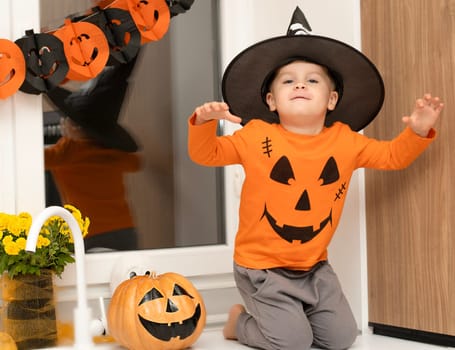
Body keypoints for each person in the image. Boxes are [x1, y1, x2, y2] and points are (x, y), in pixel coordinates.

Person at [187, 7, 443, 350]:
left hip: (315, 269)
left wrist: (416, 131)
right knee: (292, 344)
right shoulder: (256, 136)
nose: (300, 85)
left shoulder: (346, 141)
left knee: (341, 339)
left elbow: (393, 157)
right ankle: (240, 323)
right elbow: (207, 154)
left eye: (312, 80)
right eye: (288, 80)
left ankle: (292, 314)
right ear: (271, 100)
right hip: (262, 269)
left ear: (332, 99)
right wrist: (203, 125)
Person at [44, 57, 142, 252]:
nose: (65, 122)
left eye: (69, 119)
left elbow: (34, 160)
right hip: (125, 229)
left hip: (88, 233)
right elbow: (135, 163)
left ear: (78, 128)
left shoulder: (67, 151)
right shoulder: (113, 152)